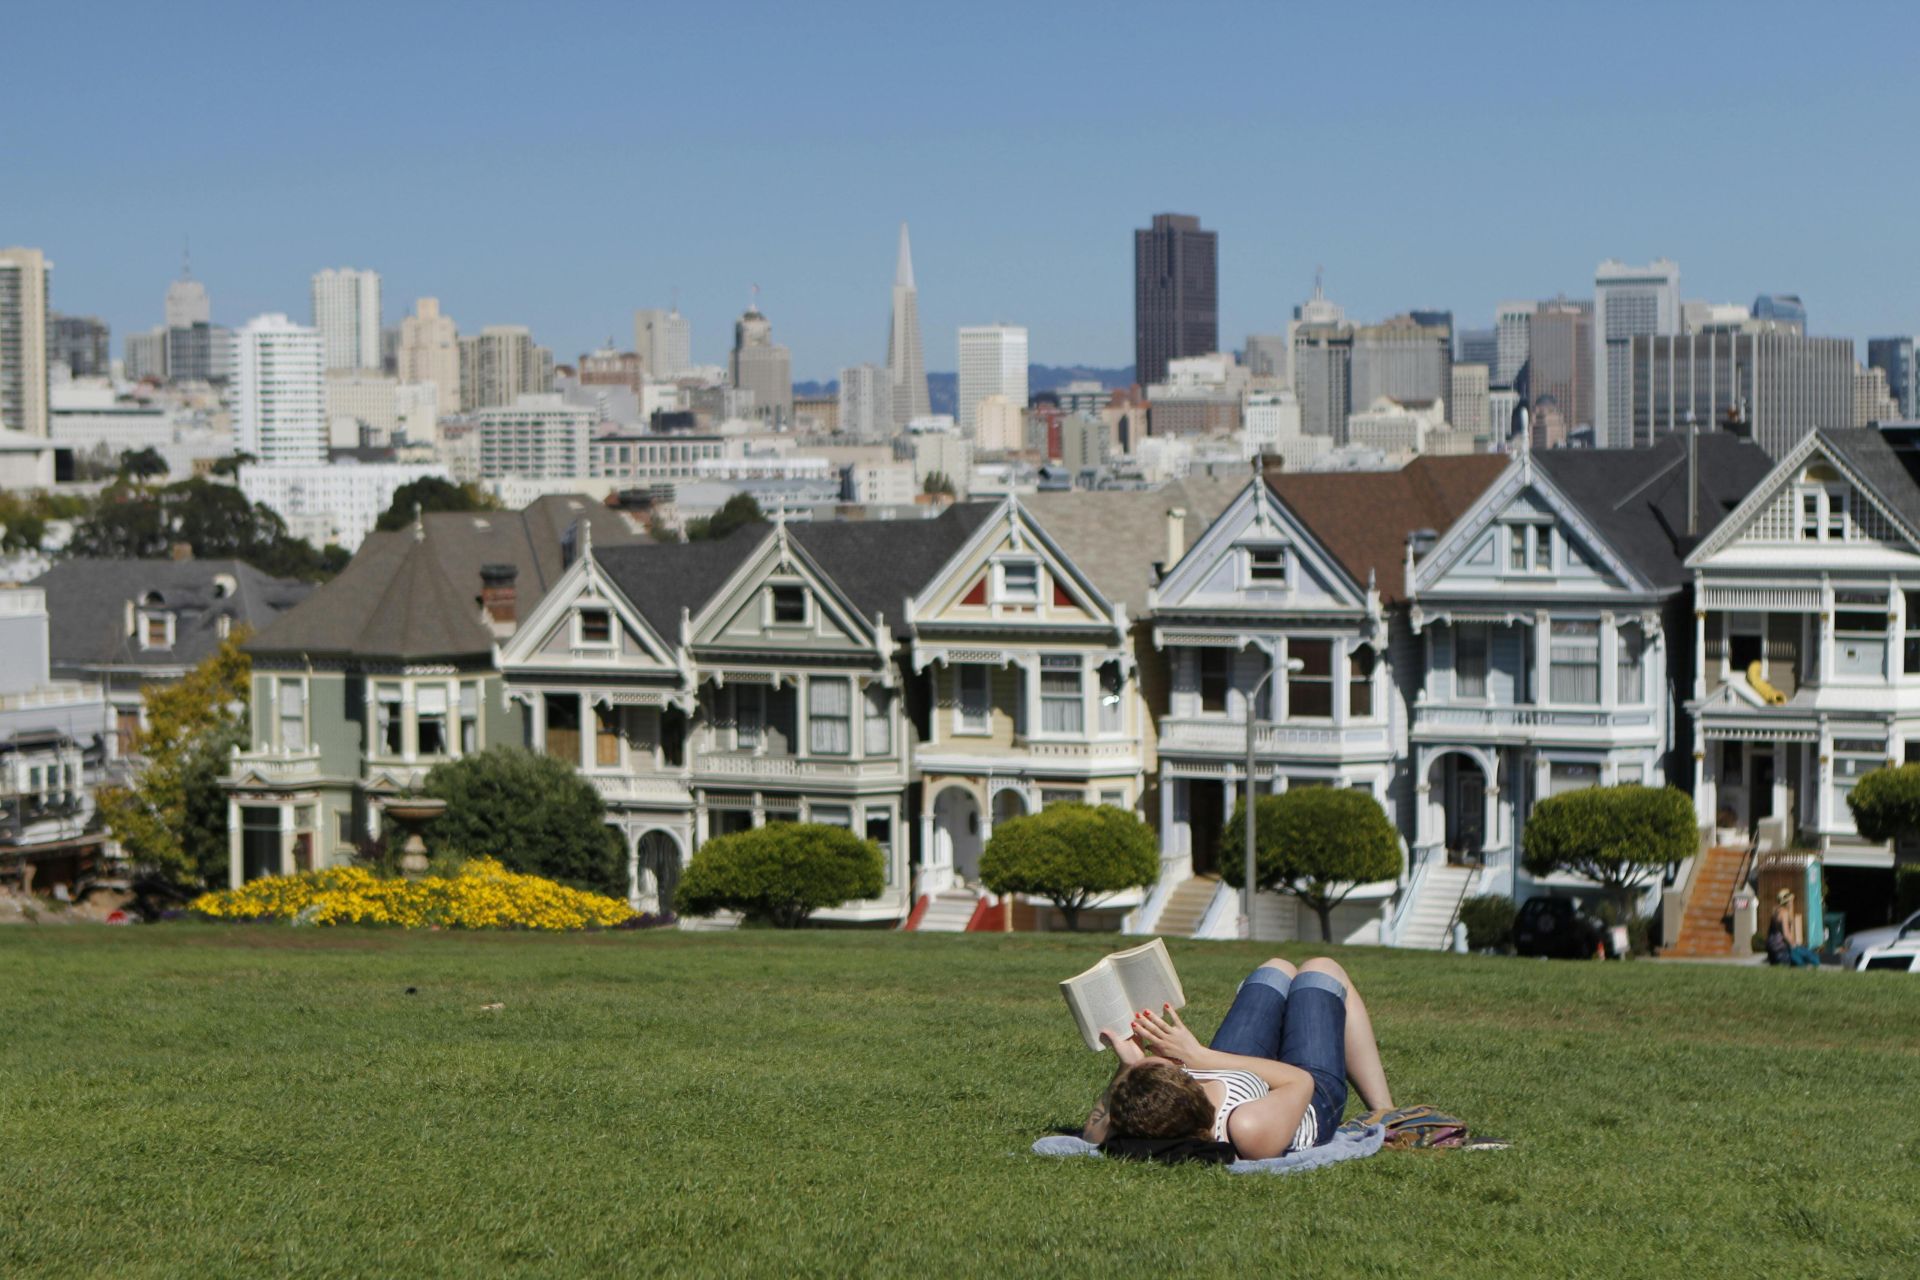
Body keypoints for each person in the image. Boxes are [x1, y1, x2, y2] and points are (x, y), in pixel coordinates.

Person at [1080, 956, 1393, 1161]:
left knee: (1275, 969)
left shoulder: (1143, 1117)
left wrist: (1127, 1065)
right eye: (1170, 1064)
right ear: (1189, 1083)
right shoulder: (1245, 1127)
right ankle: (1386, 1110)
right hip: (1305, 1098)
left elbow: (1092, 1131)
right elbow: (1299, 1080)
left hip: (1230, 1073)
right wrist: (1200, 1055)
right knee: (1322, 972)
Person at [1767, 889, 1819, 967]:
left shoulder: (1775, 911)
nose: (1792, 902)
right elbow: (1786, 933)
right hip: (1780, 950)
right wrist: (1795, 945)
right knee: (1806, 961)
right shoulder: (1784, 912)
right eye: (1791, 900)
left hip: (1771, 949)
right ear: (1787, 901)